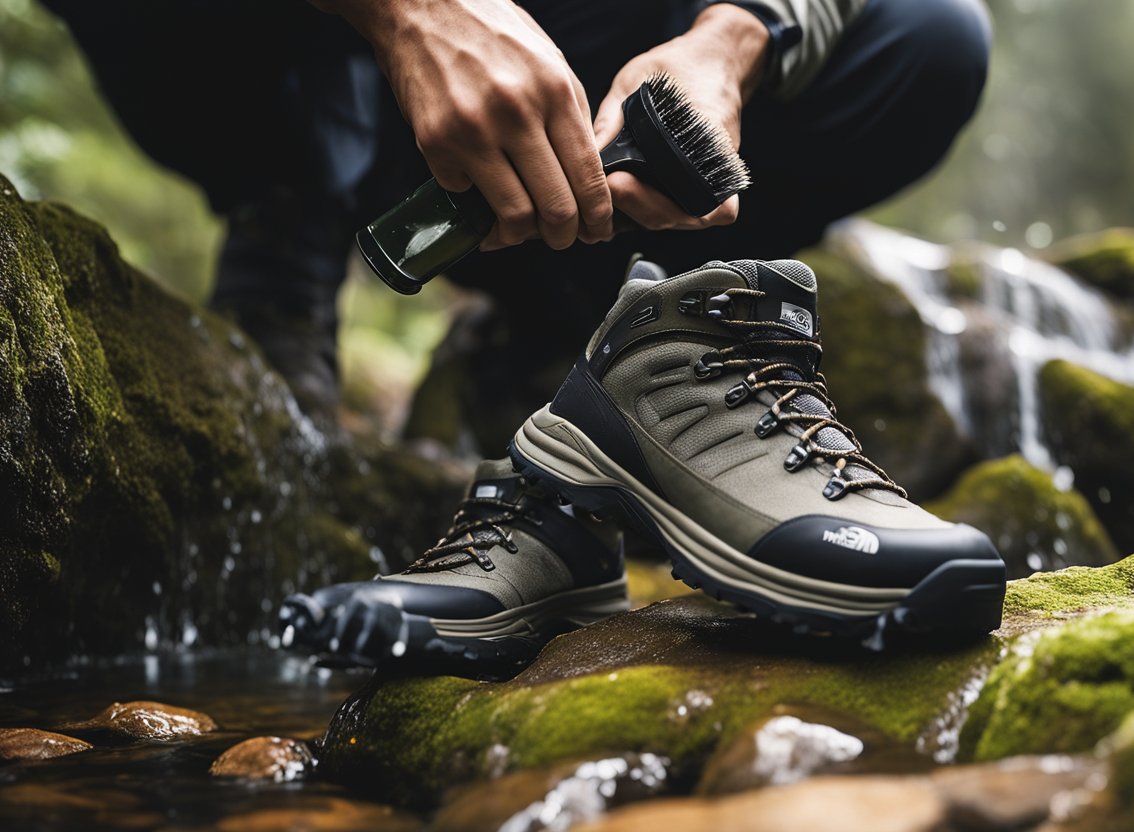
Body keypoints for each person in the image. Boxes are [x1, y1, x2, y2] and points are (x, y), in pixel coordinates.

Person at [47, 0, 998, 669]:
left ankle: (606, 367)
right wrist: (414, 10)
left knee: (934, 30)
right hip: (311, 74)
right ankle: (283, 212)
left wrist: (732, 37)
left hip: (557, 120)